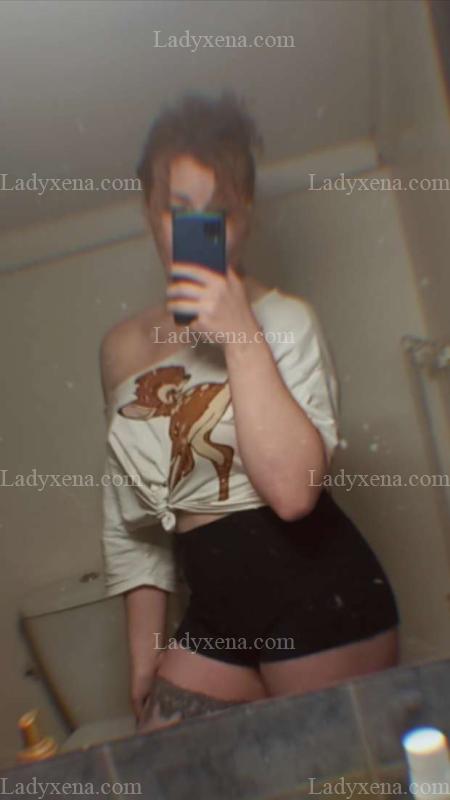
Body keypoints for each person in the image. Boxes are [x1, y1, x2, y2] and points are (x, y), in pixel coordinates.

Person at [99, 92, 400, 734]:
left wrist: (240, 334)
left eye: (218, 213)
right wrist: (144, 653)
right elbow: (134, 519)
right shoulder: (121, 349)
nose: (198, 232)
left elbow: (292, 493)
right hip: (214, 609)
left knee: (338, 778)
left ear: (247, 217)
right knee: (165, 768)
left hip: (319, 593)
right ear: (148, 210)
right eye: (178, 210)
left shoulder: (286, 319)